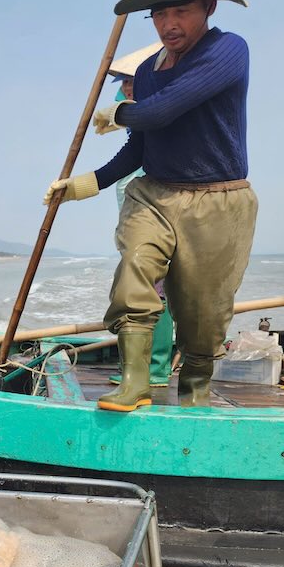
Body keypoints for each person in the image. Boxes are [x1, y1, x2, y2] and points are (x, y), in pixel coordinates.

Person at [45, 0, 256, 411]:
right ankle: (136, 381)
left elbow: (162, 112)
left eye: (180, 11)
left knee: (204, 315)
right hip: (154, 193)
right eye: (159, 14)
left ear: (208, 9)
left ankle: (196, 388)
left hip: (219, 201)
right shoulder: (144, 72)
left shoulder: (229, 51)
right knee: (134, 274)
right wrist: (86, 184)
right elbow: (139, 148)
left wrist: (116, 112)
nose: (168, 23)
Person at [103, 43, 175, 389]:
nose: (127, 87)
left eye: (132, 80)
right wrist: (87, 184)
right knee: (143, 284)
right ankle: (147, 366)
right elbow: (127, 150)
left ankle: (156, 368)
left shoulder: (158, 107)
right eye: (123, 82)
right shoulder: (135, 106)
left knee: (153, 288)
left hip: (156, 210)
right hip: (134, 212)